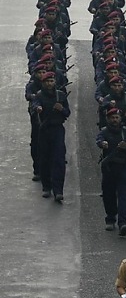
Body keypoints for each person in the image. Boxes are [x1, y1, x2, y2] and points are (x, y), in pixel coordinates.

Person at [96, 108, 126, 235]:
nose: (115, 120)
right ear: (108, 119)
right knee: (108, 194)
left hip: (124, 166)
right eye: (112, 118)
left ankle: (123, 223)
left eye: (117, 118)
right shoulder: (104, 132)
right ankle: (110, 218)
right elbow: (98, 141)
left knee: (123, 195)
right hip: (109, 167)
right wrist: (103, 144)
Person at [32, 71, 70, 202]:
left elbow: (67, 112)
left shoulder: (61, 95)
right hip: (44, 130)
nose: (50, 83)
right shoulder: (39, 95)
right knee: (45, 158)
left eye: (51, 81)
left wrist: (61, 109)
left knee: (58, 159)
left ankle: (58, 190)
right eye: (47, 81)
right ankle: (46, 187)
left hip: (57, 129)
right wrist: (38, 108)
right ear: (43, 83)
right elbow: (35, 105)